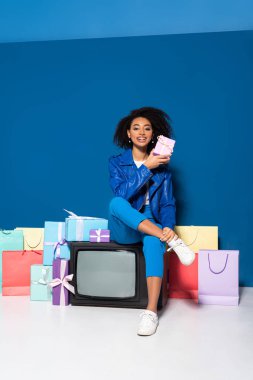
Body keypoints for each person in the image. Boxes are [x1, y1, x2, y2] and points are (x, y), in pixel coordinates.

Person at [108, 106, 195, 336]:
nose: (141, 132)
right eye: (136, 128)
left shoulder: (163, 169)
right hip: (125, 225)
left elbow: (167, 204)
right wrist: (146, 168)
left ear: (152, 135)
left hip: (151, 223)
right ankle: (172, 241)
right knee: (115, 203)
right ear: (128, 133)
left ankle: (150, 313)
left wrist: (167, 226)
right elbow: (122, 194)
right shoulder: (116, 163)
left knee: (153, 243)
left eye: (147, 128)